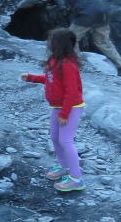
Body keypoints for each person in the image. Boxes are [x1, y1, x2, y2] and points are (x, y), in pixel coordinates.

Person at [20, 28, 86, 193]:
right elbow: (51, 80)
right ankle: (64, 167)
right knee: (55, 137)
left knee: (65, 140)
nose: (48, 44)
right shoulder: (54, 62)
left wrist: (65, 113)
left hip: (71, 107)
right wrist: (32, 78)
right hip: (58, 106)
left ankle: (76, 178)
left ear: (59, 44)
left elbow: (71, 92)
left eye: (51, 41)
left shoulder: (68, 65)